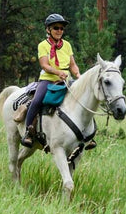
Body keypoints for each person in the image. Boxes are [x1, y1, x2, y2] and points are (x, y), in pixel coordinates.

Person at [21, 13, 81, 147]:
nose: (59, 31)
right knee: (37, 101)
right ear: (48, 29)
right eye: (56, 28)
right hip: (48, 80)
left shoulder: (67, 45)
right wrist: (58, 72)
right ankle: (29, 131)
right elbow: (44, 65)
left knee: (83, 99)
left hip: (66, 79)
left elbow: (72, 65)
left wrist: (78, 76)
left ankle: (87, 134)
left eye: (62, 28)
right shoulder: (43, 45)